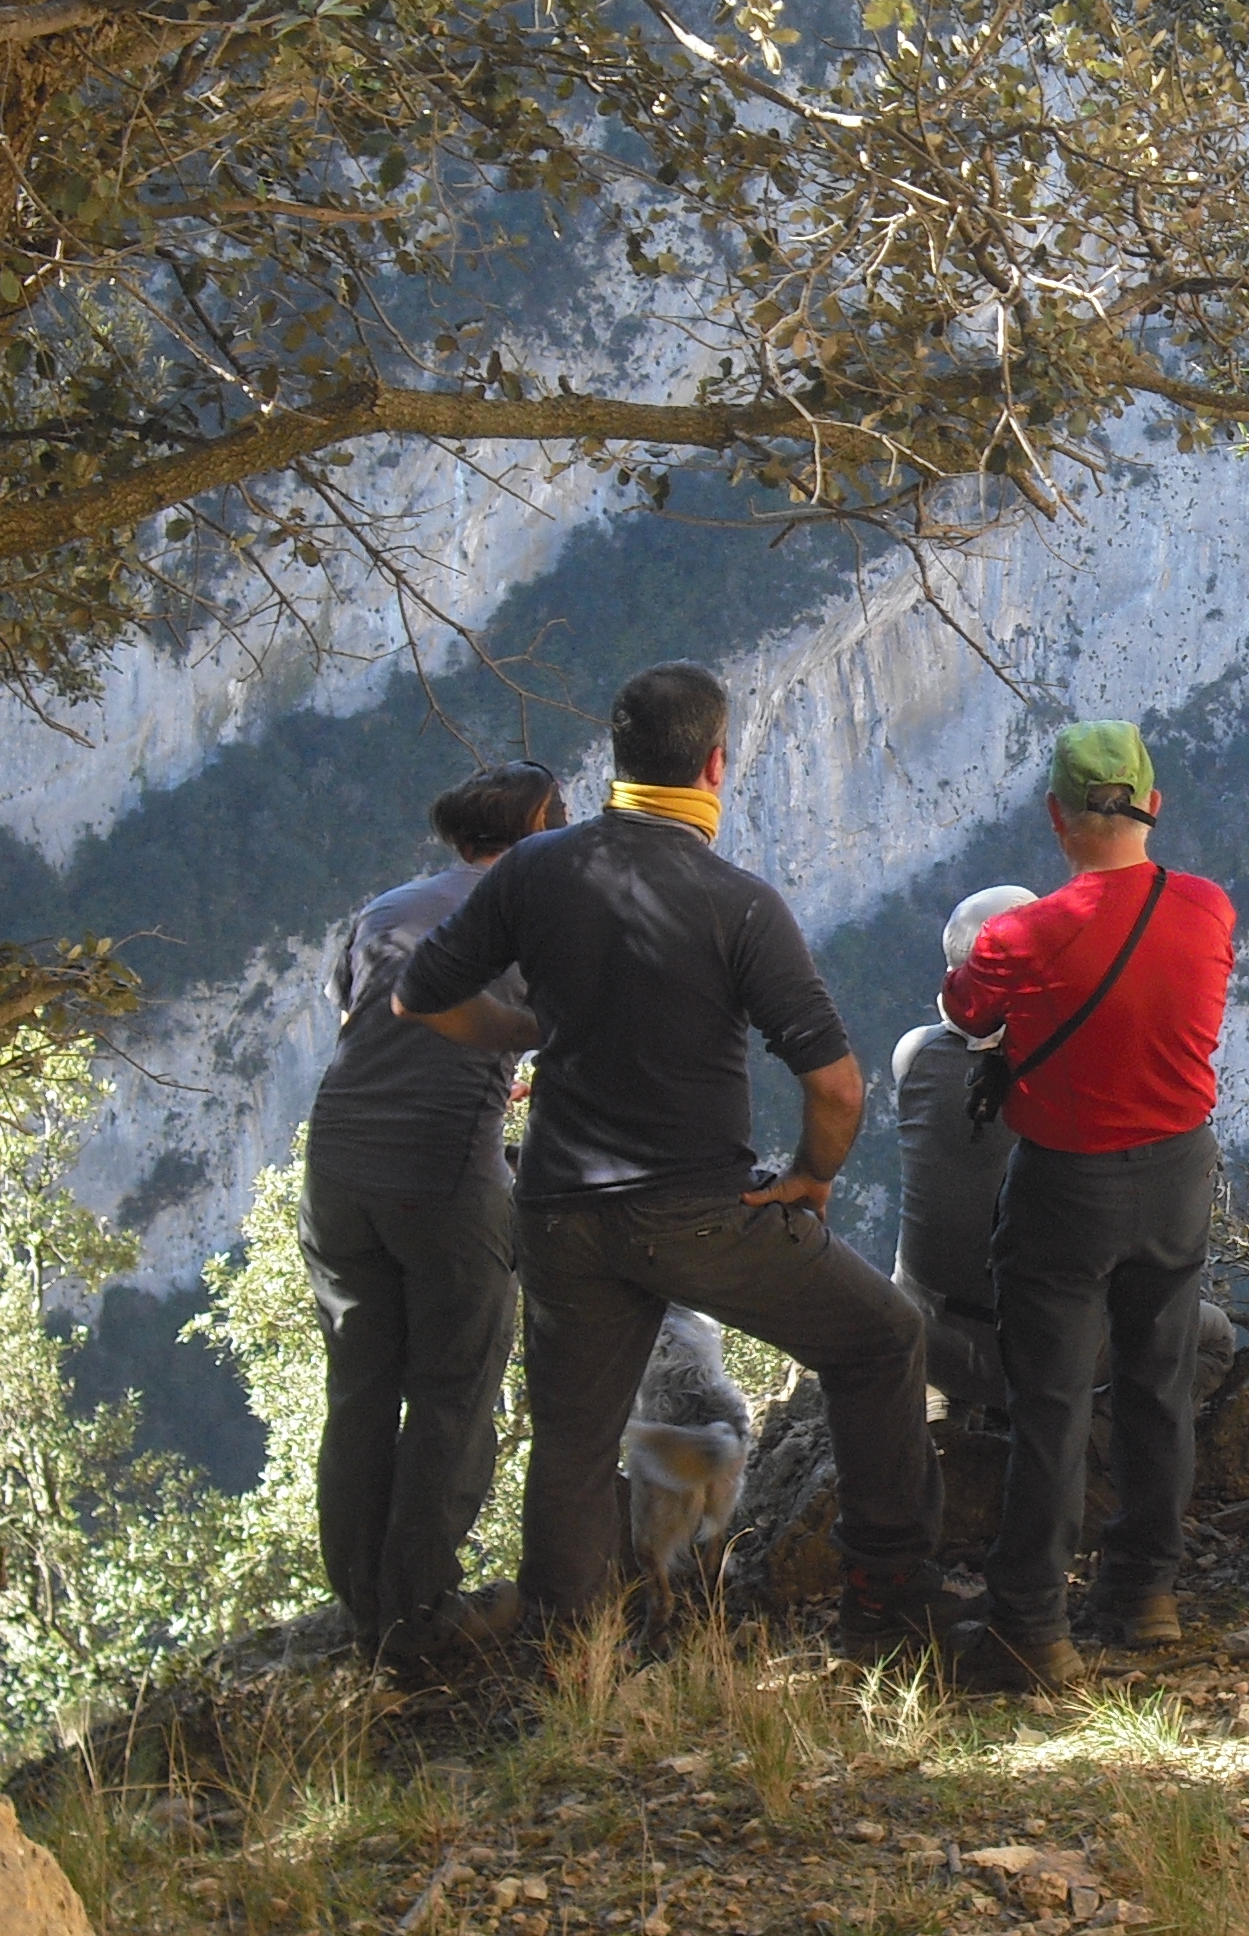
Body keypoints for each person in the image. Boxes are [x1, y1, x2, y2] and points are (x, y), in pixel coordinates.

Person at [394, 661, 950, 1652]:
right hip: (699, 1214)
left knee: (571, 1439)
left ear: (615, 758)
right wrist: (811, 1176)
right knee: (882, 1340)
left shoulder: (533, 868)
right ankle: (884, 1604)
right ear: (716, 763)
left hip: (561, 1210)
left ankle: (568, 1670)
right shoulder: (736, 902)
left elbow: (420, 998)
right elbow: (836, 1085)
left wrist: (530, 1032)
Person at [939, 721, 1235, 1692]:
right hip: (1180, 1172)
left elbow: (965, 1012)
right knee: (1158, 1379)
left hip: (1068, 1183)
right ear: (1156, 805)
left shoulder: (1022, 935)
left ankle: (1032, 1625)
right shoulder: (1208, 910)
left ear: (1058, 819)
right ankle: (1146, 1593)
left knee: (1052, 1402)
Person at [302, 759, 561, 1662]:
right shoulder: (537, 916)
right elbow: (577, 1040)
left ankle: (363, 1602)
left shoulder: (387, 906)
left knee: (361, 1387)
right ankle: (419, 1613)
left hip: (334, 1163)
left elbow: (358, 1018)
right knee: (453, 1387)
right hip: (442, 1173)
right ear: (541, 831)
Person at [891, 883, 1043, 1414]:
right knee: (1209, 1336)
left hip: (924, 1333)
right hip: (1028, 1353)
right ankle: (1093, 1440)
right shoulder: (1059, 1078)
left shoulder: (915, 1053)